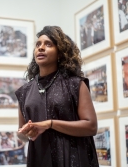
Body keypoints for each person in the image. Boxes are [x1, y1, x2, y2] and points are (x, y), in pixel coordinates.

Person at [15, 26, 99, 167]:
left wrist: (50, 124)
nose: (41, 48)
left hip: (74, 159)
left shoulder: (75, 84)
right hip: (40, 160)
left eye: (48, 44)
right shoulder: (24, 91)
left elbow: (91, 126)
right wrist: (25, 132)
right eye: (38, 45)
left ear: (60, 53)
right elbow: (22, 134)